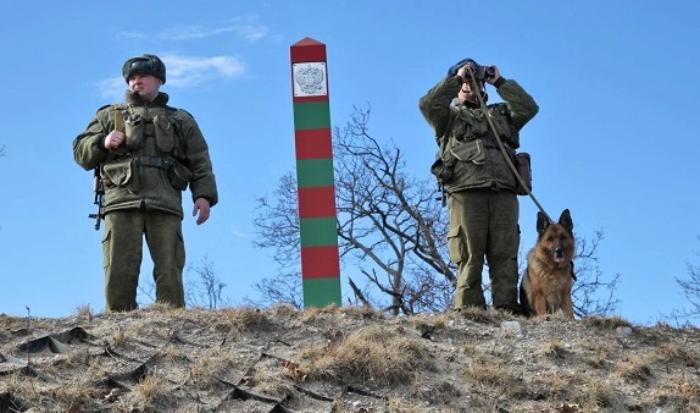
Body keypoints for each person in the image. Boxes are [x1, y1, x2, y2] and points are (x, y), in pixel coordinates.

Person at [73, 54, 218, 312]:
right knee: (119, 267)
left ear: (158, 80)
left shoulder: (180, 120)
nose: (135, 82)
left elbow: (199, 159)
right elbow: (81, 152)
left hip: (165, 201)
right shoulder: (109, 115)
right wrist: (103, 142)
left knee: (169, 267)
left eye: (142, 77)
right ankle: (119, 324)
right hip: (121, 200)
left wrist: (203, 196)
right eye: (131, 78)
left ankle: (171, 321)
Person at [419, 58, 538, 313]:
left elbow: (528, 108)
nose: (471, 83)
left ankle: (506, 306)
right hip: (466, 191)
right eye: (466, 79)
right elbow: (428, 104)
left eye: (475, 78)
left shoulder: (502, 114)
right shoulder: (448, 116)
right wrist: (456, 78)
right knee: (469, 254)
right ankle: (469, 309)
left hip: (504, 191)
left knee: (505, 253)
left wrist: (499, 82)